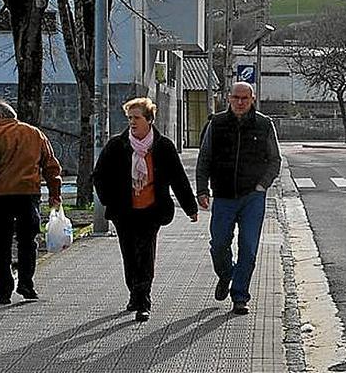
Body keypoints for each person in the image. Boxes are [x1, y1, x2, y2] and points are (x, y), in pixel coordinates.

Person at [93, 97, 198, 322]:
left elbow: (178, 178)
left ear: (149, 119)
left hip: (151, 210)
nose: (132, 122)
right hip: (124, 212)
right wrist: (109, 201)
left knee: (146, 254)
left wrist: (190, 207)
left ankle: (143, 300)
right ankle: (134, 291)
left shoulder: (163, 146)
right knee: (129, 255)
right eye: (130, 118)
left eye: (137, 118)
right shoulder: (117, 145)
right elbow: (100, 176)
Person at [196, 82, 281, 315]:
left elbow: (275, 160)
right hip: (223, 196)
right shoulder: (217, 123)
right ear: (229, 98)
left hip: (253, 197)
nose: (240, 102)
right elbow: (204, 159)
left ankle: (240, 296)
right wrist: (202, 190)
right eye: (236, 98)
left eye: (245, 98)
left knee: (249, 248)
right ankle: (226, 274)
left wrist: (262, 185)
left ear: (253, 99)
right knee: (219, 243)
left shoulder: (264, 125)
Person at [0, 100, 62, 305]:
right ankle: (26, 284)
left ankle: (3, 290)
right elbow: (51, 165)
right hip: (28, 195)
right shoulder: (35, 134)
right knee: (28, 241)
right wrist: (54, 193)